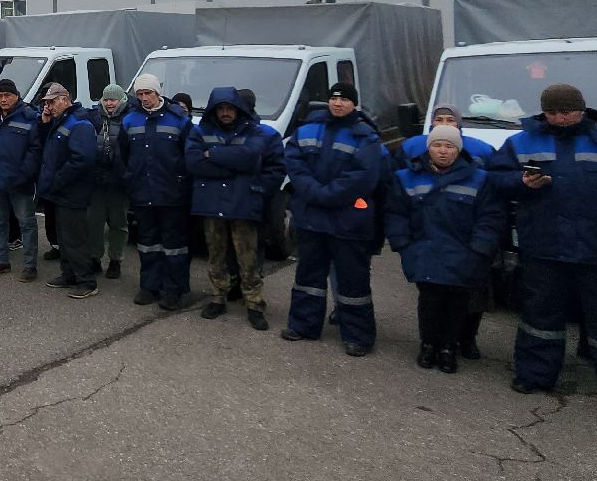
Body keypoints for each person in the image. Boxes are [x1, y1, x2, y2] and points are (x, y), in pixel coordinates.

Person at [488, 83, 597, 419]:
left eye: (566, 111)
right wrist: (521, 183)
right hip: (544, 248)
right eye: (552, 112)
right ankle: (534, 375)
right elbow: (493, 178)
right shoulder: (521, 142)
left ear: (581, 108)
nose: (560, 118)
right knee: (540, 318)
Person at [385, 125, 506, 372]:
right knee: (429, 301)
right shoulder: (406, 177)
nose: (442, 151)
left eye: (449, 146)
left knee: (457, 303)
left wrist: (479, 250)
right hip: (424, 252)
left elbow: (490, 217)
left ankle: (449, 348)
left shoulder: (480, 179)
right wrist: (404, 246)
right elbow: (396, 214)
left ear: (458, 150)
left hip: (463, 254)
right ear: (428, 148)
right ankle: (428, 345)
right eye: (437, 145)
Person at [281, 82, 388, 355]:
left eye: (344, 100)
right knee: (308, 276)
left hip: (348, 221)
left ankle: (357, 336)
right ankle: (303, 325)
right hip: (312, 218)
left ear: (354, 104)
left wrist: (326, 195)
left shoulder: (366, 137)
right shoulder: (307, 129)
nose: (337, 104)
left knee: (353, 281)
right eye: (333, 99)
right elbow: (294, 162)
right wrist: (314, 191)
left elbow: (364, 177)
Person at [187, 86, 286, 330]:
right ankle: (218, 297)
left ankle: (254, 303)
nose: (225, 113)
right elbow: (194, 163)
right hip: (212, 205)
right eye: (220, 108)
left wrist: (215, 155)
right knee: (216, 256)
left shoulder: (257, 132)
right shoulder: (200, 132)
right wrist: (236, 166)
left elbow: (252, 157)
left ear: (238, 109)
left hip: (244, 204)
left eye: (230, 108)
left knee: (248, 258)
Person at [121, 74, 194, 311]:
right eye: (140, 94)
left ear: (158, 93)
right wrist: (129, 177)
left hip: (172, 194)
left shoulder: (179, 120)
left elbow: (190, 155)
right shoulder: (130, 120)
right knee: (147, 242)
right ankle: (150, 286)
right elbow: (123, 154)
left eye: (148, 93)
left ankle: (174, 290)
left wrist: (182, 181)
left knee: (174, 245)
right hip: (142, 192)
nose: (144, 98)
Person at [36, 83, 101, 298]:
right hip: (60, 191)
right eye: (46, 103)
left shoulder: (79, 124)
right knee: (63, 238)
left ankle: (86, 281)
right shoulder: (60, 121)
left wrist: (58, 179)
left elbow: (82, 159)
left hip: (73, 191)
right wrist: (45, 123)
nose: (49, 106)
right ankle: (69, 273)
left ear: (64, 100)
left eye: (52, 102)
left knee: (75, 238)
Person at [0, 79, 44, 280]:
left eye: (8, 95)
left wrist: (24, 175)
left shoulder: (29, 117)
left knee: (27, 224)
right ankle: (1, 261)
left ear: (16, 96)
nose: (4, 99)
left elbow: (35, 150)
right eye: (0, 96)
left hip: (19, 182)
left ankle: (30, 266)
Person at [90, 84, 133, 280]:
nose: (109, 103)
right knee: (95, 222)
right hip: (97, 179)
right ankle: (94, 258)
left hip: (118, 181)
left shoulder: (129, 119)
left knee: (118, 223)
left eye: (112, 100)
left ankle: (116, 260)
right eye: (106, 99)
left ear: (121, 100)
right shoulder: (94, 117)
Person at [400, 106, 494, 167]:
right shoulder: (411, 146)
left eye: (450, 120)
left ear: (458, 123)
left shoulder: (481, 148)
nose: (444, 124)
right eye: (439, 120)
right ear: (432, 122)